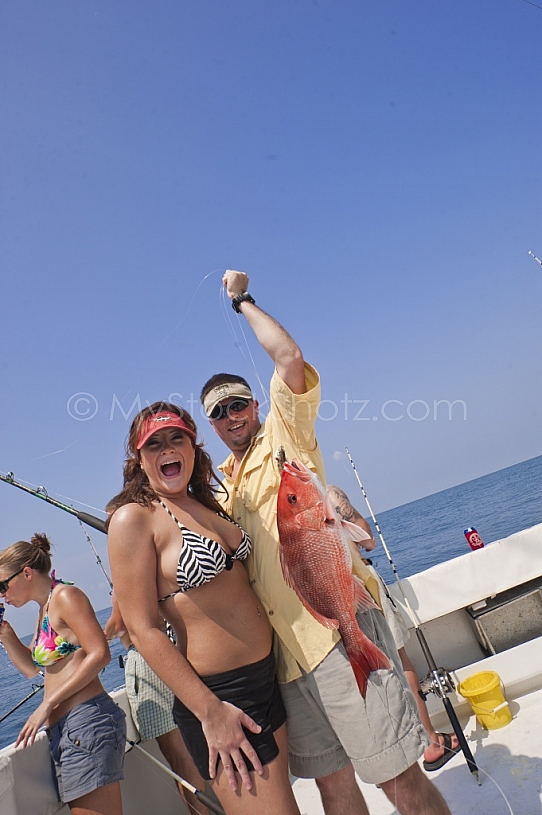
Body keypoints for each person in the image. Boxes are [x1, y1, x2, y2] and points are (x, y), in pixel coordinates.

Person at [199, 270, 452, 815]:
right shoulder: (223, 485)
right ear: (212, 426)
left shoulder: (286, 438)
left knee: (397, 779)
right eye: (217, 412)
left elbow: (288, 358)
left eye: (237, 404)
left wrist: (242, 300)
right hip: (287, 663)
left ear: (255, 406)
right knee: (333, 788)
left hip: (339, 637)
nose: (230, 416)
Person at [107, 403, 301, 815]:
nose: (167, 449)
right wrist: (210, 712)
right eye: (153, 444)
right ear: (139, 459)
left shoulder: (205, 502)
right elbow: (143, 630)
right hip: (221, 697)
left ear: (193, 445)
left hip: (266, 677)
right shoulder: (134, 519)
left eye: (176, 437)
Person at [327, 484, 460, 773]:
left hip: (331, 599)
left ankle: (398, 752)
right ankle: (432, 743)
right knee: (399, 660)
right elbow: (370, 542)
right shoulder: (329, 493)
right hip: (363, 588)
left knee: (369, 675)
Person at [0, 533, 126, 815]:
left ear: (27, 573)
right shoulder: (44, 609)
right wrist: (6, 634)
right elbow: (33, 669)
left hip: (87, 723)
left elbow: (100, 653)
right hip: (67, 731)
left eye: (2, 585)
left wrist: (46, 705)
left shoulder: (66, 596)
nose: (2, 595)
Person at [104, 592, 211, 815]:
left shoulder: (126, 581)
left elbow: (119, 624)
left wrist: (94, 640)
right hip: (171, 650)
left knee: (179, 757)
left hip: (148, 659)